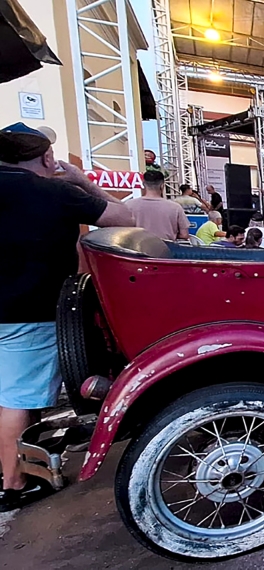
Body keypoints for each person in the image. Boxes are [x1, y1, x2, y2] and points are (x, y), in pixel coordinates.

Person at [0, 122, 134, 511]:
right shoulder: (55, 191)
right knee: (17, 398)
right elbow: (122, 217)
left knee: (10, 392)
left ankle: (25, 461)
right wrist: (83, 181)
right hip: (28, 309)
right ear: (47, 157)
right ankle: (13, 483)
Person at [126, 171, 190, 241]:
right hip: (166, 249)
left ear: (143, 184)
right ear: (162, 185)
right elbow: (184, 235)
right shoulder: (175, 207)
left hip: (137, 248)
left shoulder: (129, 205)